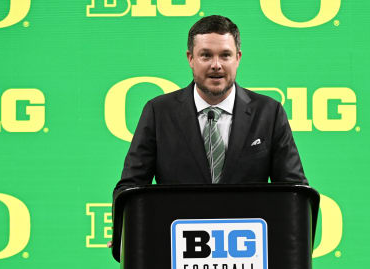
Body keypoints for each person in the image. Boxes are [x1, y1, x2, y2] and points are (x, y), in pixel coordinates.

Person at [108, 15, 307, 252]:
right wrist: (126, 232)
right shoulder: (159, 112)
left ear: (238, 58)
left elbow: (293, 190)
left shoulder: (269, 113)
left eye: (225, 55)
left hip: (247, 257)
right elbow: (131, 187)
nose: (216, 65)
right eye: (206, 55)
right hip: (178, 254)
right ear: (190, 59)